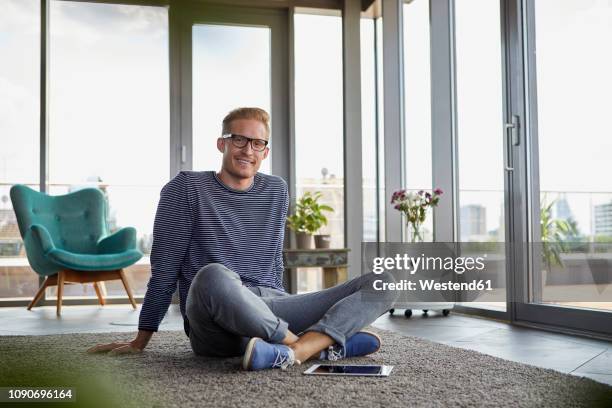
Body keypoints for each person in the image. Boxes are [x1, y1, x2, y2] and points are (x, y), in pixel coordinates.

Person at [88, 107, 397, 370]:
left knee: (387, 281)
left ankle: (295, 351)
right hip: (215, 317)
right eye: (239, 139)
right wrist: (141, 339)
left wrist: (283, 306)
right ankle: (315, 343)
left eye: (257, 143)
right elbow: (165, 269)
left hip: (270, 306)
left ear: (265, 151)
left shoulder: (276, 190)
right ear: (222, 143)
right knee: (213, 274)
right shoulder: (185, 189)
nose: (247, 150)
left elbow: (274, 261)